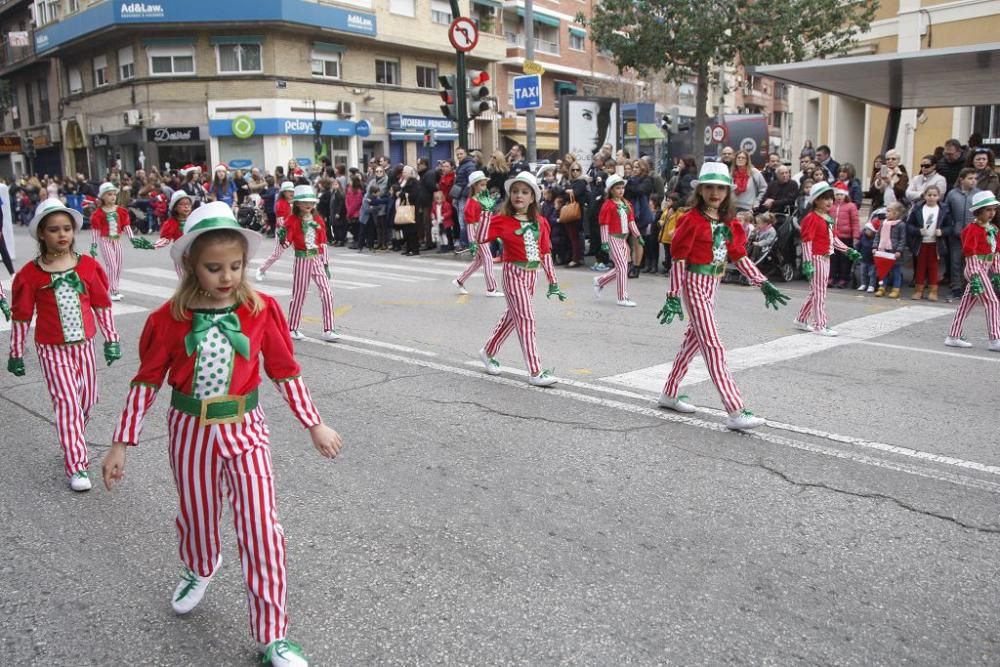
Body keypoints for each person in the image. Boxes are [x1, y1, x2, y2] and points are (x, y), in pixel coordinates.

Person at [101, 201, 343, 667]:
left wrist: (313, 422)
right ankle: (199, 564)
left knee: (262, 528)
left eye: (236, 265)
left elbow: (285, 371)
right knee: (198, 515)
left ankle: (274, 633)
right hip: (190, 430)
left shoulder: (261, 309)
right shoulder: (165, 320)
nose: (227, 276)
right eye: (215, 268)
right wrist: (120, 444)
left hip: (245, 428)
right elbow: (146, 383)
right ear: (190, 264)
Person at [657, 162, 789, 430]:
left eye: (720, 187)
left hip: (712, 285)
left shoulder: (729, 222)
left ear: (728, 192)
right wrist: (672, 294)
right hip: (694, 285)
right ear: (701, 190)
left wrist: (762, 282)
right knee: (714, 346)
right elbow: (679, 259)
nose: (715, 192)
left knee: (693, 342)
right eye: (709, 187)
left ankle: (669, 393)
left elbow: (739, 256)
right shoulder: (690, 220)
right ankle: (735, 409)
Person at [7, 198, 121, 491]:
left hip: (84, 346)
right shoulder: (30, 275)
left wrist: (111, 339)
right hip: (51, 349)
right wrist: (16, 352)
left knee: (87, 400)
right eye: (54, 229)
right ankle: (77, 464)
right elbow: (21, 316)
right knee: (67, 403)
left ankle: (73, 436)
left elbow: (102, 304)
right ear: (42, 235)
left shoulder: (88, 266)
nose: (62, 235)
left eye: (67, 229)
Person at [478, 172, 566, 387]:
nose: (519, 195)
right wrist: (487, 213)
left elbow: (545, 253)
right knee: (526, 319)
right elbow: (481, 238)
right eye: (515, 191)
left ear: (533, 197)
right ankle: (535, 371)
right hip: (513, 274)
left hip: (531, 275)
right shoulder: (502, 220)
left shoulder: (541, 222)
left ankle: (488, 351)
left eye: (525, 192)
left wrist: (553, 281)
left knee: (512, 318)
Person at [793, 181, 863, 335]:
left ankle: (801, 319)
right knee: (820, 293)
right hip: (816, 258)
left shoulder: (827, 217)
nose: (830, 201)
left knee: (816, 292)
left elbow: (834, 240)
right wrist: (807, 263)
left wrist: (848, 250)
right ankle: (820, 325)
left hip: (826, 258)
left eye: (831, 198)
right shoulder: (811, 218)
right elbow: (806, 242)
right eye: (825, 198)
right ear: (816, 200)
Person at [944, 191, 1000, 351]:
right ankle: (995, 339)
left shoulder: (993, 229)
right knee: (993, 301)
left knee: (966, 304)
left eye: (993, 210)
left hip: (985, 267)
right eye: (988, 210)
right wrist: (975, 275)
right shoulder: (972, 229)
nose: (992, 213)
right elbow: (970, 253)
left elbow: (996, 252)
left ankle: (953, 336)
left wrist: (997, 273)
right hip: (975, 269)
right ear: (979, 211)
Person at [282, 185, 339, 342]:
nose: (309, 205)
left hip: (316, 259)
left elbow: (323, 242)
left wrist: (326, 263)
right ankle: (292, 328)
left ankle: (328, 329)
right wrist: (282, 237)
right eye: (305, 201)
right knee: (299, 295)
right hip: (301, 259)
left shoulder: (318, 219)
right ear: (298, 203)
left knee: (327, 292)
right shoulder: (292, 220)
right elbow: (286, 243)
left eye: (311, 202)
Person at [90, 182, 153, 301]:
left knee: (118, 266)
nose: (113, 197)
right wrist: (93, 245)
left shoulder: (121, 211)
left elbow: (126, 226)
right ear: (103, 196)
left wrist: (132, 239)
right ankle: (112, 291)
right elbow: (95, 230)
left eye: (114, 194)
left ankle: (115, 289)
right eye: (109, 194)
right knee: (112, 265)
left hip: (117, 241)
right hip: (105, 241)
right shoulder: (98, 213)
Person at [593, 174, 642, 307]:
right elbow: (604, 225)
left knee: (623, 268)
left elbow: (631, 222)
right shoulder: (608, 205)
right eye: (617, 188)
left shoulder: (626, 204)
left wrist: (638, 236)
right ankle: (622, 297)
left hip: (623, 240)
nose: (621, 191)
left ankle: (600, 281)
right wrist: (604, 242)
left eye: (622, 188)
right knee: (622, 267)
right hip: (613, 238)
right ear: (611, 190)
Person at [452, 171, 502, 297]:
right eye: (481, 185)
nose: (484, 187)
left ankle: (460, 280)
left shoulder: (482, 199)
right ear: (474, 186)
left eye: (485, 185)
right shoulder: (471, 203)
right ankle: (491, 289)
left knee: (479, 261)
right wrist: (472, 241)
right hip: (478, 235)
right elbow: (470, 223)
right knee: (488, 260)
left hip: (484, 233)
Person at [942, 168, 982, 301]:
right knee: (955, 262)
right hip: (957, 234)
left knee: (972, 262)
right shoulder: (953, 194)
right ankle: (956, 288)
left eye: (975, 178)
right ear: (961, 179)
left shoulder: (979, 194)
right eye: (970, 178)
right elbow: (946, 212)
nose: (973, 181)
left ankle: (971, 288)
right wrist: (951, 226)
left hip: (974, 234)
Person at [906, 185, 946, 301]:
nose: (932, 198)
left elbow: (950, 226)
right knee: (920, 267)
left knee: (933, 267)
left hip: (935, 243)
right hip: (921, 242)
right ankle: (919, 290)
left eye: (934, 195)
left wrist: (942, 232)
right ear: (924, 196)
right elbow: (909, 225)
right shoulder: (917, 208)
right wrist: (917, 231)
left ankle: (933, 291)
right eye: (929, 195)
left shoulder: (943, 209)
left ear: (939, 197)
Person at [255, 181, 294, 281]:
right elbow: (281, 221)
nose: (291, 193)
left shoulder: (293, 202)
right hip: (283, 232)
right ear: (284, 192)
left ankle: (303, 273)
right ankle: (261, 269)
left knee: (301, 251)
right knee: (277, 254)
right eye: (288, 191)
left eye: (292, 191)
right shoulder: (280, 203)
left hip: (294, 231)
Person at [828, 182, 860, 288]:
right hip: (833, 237)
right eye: (837, 194)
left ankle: (844, 278)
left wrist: (856, 236)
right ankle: (832, 277)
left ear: (846, 195)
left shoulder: (851, 206)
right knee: (833, 258)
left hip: (846, 237)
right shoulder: (831, 206)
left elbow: (855, 221)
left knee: (844, 260)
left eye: (841, 194)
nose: (839, 197)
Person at [153, 191, 194, 275]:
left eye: (188, 204)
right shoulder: (172, 223)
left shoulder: (195, 219)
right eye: (182, 204)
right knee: (184, 281)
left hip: (195, 254)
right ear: (175, 208)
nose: (186, 206)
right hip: (181, 255)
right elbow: (165, 239)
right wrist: (152, 245)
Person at [873, 202, 907, 298]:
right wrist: (875, 247)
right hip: (883, 251)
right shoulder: (883, 223)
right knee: (883, 271)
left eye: (888, 211)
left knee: (896, 271)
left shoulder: (901, 225)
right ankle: (882, 288)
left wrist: (899, 250)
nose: (886, 213)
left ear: (896, 213)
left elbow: (902, 239)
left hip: (894, 252)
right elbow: (877, 236)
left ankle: (896, 289)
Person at [855, 222, 878, 293]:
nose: (866, 231)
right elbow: (859, 245)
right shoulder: (863, 237)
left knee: (872, 274)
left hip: (872, 260)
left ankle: (871, 285)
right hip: (863, 258)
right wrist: (856, 251)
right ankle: (863, 284)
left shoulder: (876, 239)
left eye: (868, 230)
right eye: (866, 229)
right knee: (863, 273)